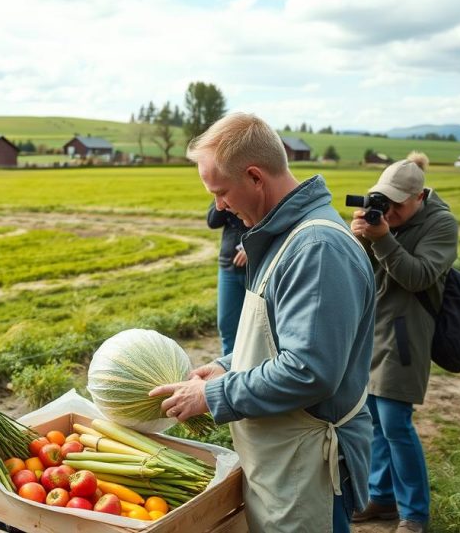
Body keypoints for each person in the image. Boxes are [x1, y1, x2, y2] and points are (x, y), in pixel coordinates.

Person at [150, 113, 376, 533]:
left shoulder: (317, 248)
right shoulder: (282, 237)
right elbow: (279, 338)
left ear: (255, 177)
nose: (219, 206)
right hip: (283, 464)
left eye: (220, 192)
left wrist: (212, 394)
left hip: (307, 470)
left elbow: (309, 371)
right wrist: (228, 365)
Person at [348, 152, 457, 533]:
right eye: (383, 200)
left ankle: (414, 513)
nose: (388, 209)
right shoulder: (383, 221)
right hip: (371, 328)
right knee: (375, 418)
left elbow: (418, 276)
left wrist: (383, 239)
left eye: (396, 203)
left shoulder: (441, 225)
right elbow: (360, 269)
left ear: (419, 197)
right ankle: (381, 497)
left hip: (407, 331)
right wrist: (358, 237)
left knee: (396, 422)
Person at [207, 201, 248, 355]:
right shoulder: (223, 194)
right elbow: (212, 221)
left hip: (256, 268)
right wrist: (222, 200)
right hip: (228, 266)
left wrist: (252, 246)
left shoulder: (260, 186)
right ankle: (230, 372)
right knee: (227, 325)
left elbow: (273, 221)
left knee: (261, 327)